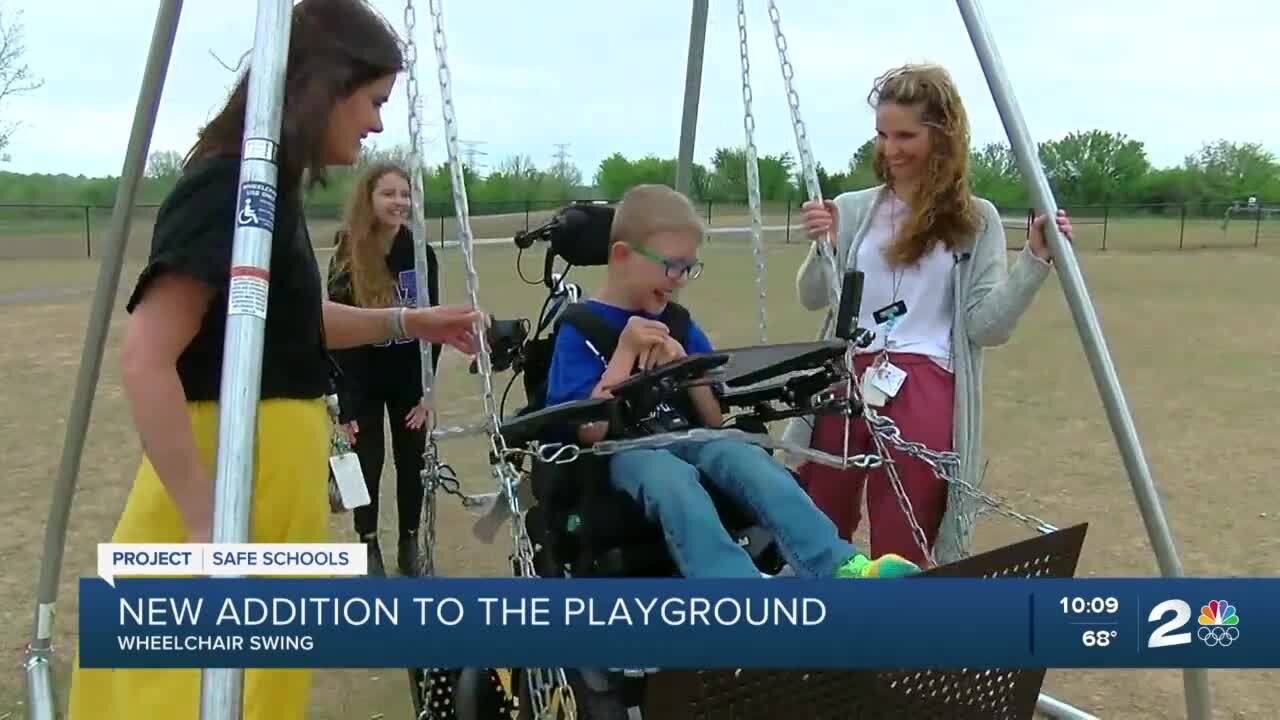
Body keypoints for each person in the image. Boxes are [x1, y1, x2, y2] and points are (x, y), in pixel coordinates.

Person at [67, 2, 483, 718]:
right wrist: (208, 527)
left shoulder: (269, 190)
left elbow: (290, 324)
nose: (378, 124)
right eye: (374, 101)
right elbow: (144, 356)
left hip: (264, 481)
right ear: (325, 84)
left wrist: (409, 320)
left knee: (255, 692)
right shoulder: (225, 186)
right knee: (190, 697)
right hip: (225, 484)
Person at [544, 183, 920, 580]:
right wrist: (624, 354)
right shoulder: (581, 328)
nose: (681, 280)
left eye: (689, 268)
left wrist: (686, 367)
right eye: (671, 266)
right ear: (622, 256)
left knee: (745, 456)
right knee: (669, 478)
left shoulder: (678, 324)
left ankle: (837, 566)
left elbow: (710, 419)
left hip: (688, 437)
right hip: (623, 451)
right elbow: (589, 431)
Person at [784, 63, 1074, 568]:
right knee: (818, 520)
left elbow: (988, 326)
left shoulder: (975, 220)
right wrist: (823, 245)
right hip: (848, 377)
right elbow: (812, 297)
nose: (890, 149)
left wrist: (1034, 261)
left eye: (905, 135)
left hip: (925, 383)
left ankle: (902, 636)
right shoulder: (853, 209)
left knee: (904, 535)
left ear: (942, 135)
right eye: (882, 134)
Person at [327, 161, 441, 577]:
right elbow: (332, 331)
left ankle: (409, 541)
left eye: (404, 194)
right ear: (368, 199)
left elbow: (435, 324)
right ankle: (367, 543)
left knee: (412, 464)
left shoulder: (420, 251)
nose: (398, 202)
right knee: (367, 466)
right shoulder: (347, 251)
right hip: (362, 382)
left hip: (409, 382)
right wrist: (344, 404)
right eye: (388, 194)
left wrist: (428, 393)